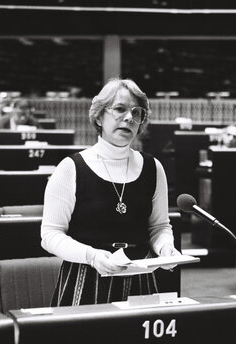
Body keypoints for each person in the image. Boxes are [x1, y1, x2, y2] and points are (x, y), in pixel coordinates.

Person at [41, 77, 180, 306]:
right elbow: (51, 236)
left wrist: (166, 248)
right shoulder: (70, 168)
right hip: (85, 281)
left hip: (140, 282)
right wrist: (92, 256)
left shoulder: (154, 167)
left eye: (137, 113)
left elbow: (159, 227)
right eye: (120, 109)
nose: (129, 118)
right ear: (98, 116)